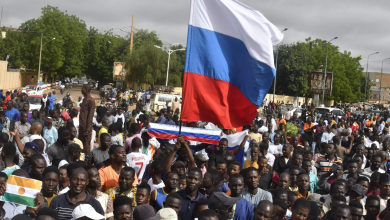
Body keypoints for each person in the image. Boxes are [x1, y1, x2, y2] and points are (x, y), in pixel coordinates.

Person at [79, 84, 95, 155]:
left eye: (82, 89)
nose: (81, 90)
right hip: (82, 126)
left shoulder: (90, 100)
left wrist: (88, 129)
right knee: (80, 144)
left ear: (86, 89)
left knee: (86, 145)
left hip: (86, 128)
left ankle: (87, 161)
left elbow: (90, 116)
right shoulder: (84, 99)